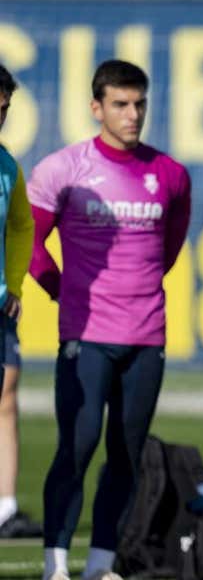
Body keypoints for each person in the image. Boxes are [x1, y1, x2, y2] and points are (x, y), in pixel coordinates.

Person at [28, 59, 191, 580]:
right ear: (96, 108)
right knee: (76, 449)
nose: (133, 114)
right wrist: (64, 291)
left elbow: (166, 250)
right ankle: (56, 564)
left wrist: (136, 291)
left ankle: (100, 565)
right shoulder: (63, 169)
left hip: (146, 337)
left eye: (140, 103)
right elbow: (27, 244)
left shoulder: (170, 174)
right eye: (120, 104)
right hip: (86, 336)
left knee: (126, 455)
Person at [0, 63, 36, 539]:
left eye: (4, 109)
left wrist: (13, 284)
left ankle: (5, 507)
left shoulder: (7, 165)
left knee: (6, 392)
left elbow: (22, 225)